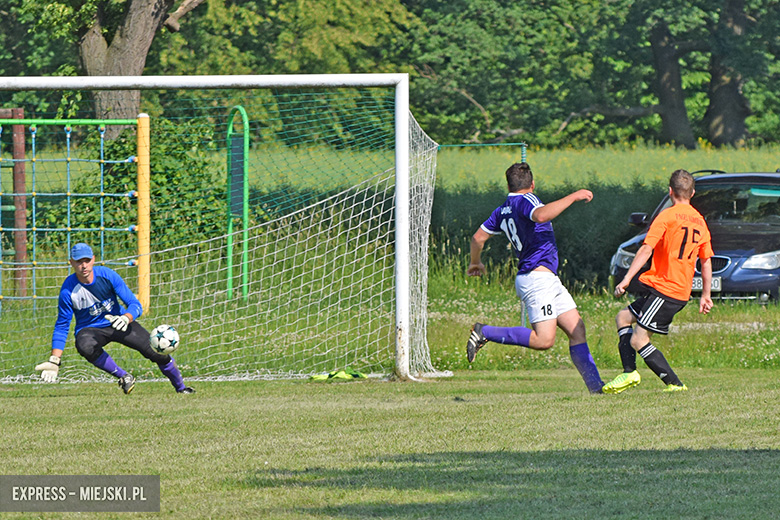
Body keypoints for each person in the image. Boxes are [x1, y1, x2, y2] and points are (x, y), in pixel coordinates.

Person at [465, 162, 604, 393]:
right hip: (536, 279)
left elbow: (478, 238)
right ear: (532, 184)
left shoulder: (503, 209)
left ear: (508, 184)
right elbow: (540, 216)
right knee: (544, 340)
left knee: (576, 329)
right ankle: (484, 331)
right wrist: (574, 196)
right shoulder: (526, 200)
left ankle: (596, 388)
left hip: (546, 278)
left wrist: (475, 262)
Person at [604, 169, 713, 393]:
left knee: (638, 340)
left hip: (667, 290)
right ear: (691, 193)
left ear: (670, 191)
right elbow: (707, 261)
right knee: (623, 317)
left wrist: (626, 279)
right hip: (675, 289)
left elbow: (646, 249)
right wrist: (705, 295)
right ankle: (628, 372)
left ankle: (675, 385)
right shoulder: (700, 222)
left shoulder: (666, 216)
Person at [34, 243, 195, 394]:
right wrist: (55, 360)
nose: (83, 266)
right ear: (71, 263)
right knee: (84, 345)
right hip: (91, 329)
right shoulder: (68, 290)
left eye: (87, 260)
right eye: (78, 262)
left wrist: (126, 318)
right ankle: (124, 377)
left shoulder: (107, 275)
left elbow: (135, 304)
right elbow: (62, 326)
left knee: (156, 352)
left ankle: (181, 389)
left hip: (119, 322)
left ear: (93, 260)